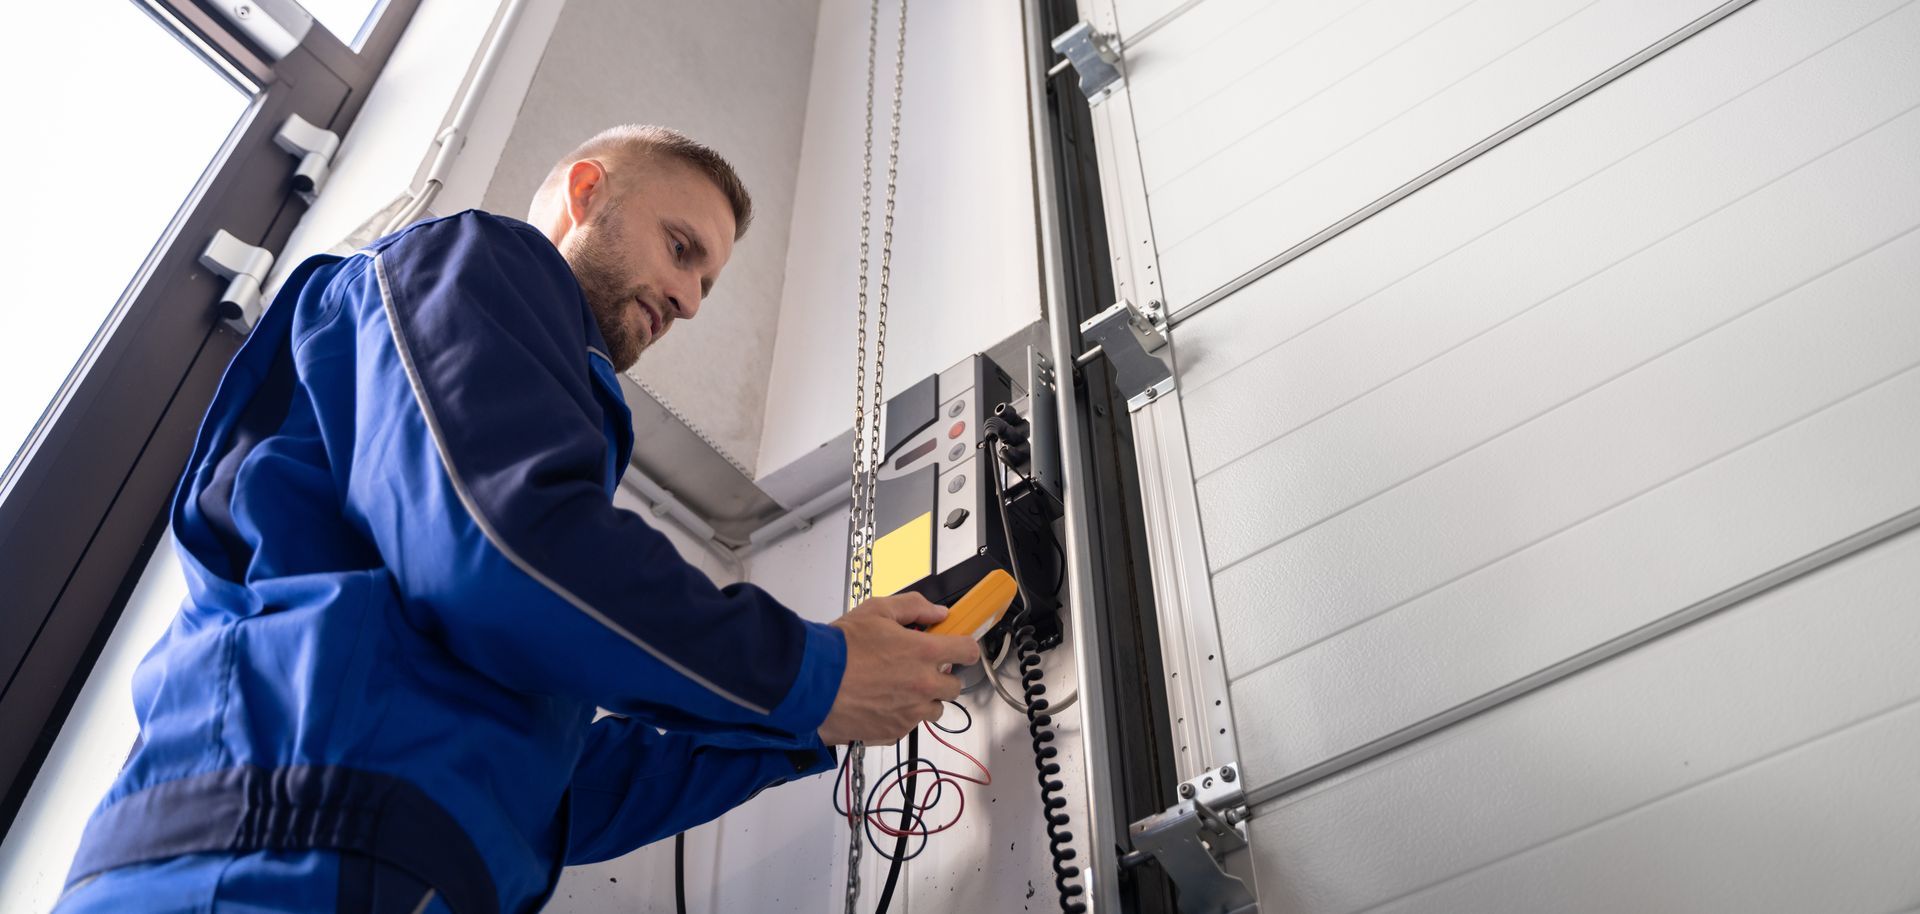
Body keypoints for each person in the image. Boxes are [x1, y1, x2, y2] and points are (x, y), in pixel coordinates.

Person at [54, 124, 979, 914]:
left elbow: (561, 790)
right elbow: (502, 548)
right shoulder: (473, 260)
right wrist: (817, 672)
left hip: (370, 851)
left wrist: (817, 724)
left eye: (708, 286)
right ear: (587, 194)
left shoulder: (497, 514)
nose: (691, 301)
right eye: (682, 248)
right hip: (273, 855)